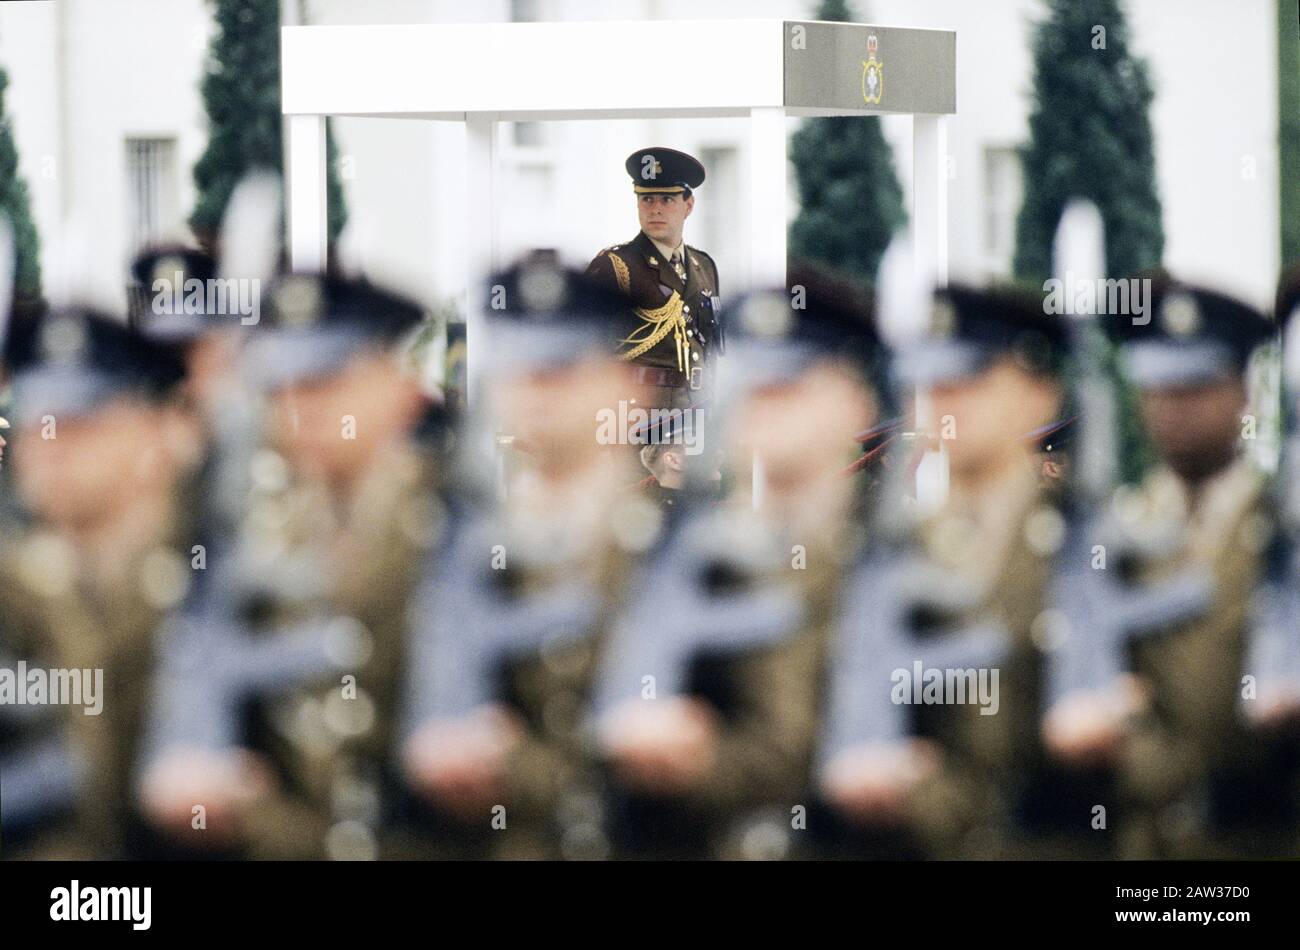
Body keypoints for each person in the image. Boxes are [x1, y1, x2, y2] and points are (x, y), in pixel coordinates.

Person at [139, 271, 448, 860]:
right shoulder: (249, 534)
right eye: (280, 385)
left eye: (325, 380)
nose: (298, 405)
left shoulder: (458, 519)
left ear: (400, 381)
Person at [593, 262, 887, 859]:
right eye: (749, 387)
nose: (765, 408)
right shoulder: (671, 558)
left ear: (857, 400)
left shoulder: (908, 559)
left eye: (789, 387)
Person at [401, 257, 652, 859]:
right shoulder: (450, 541)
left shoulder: (678, 542)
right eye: (517, 370)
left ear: (630, 384)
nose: (534, 393)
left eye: (560, 370)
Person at [819, 283, 1073, 859]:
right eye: (929, 384)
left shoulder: (1086, 542)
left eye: (970, 380)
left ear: (1041, 394)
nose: (944, 402)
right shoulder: (884, 553)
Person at [1044, 277, 1282, 858]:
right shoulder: (1115, 537)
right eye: (1157, 389)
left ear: (1243, 392)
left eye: (1196, 387)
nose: (1173, 409)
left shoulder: (1281, 530)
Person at [0, 307, 198, 858]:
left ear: (161, 428)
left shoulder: (218, 578)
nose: (49, 446)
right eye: (35, 421)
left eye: (80, 422)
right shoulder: (14, 592)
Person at [586, 147, 722, 418]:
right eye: (647, 199)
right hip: (636, 414)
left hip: (697, 409)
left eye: (667, 199)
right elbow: (587, 355)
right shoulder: (616, 266)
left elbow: (712, 349)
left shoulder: (704, 265)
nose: (656, 209)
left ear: (689, 205)